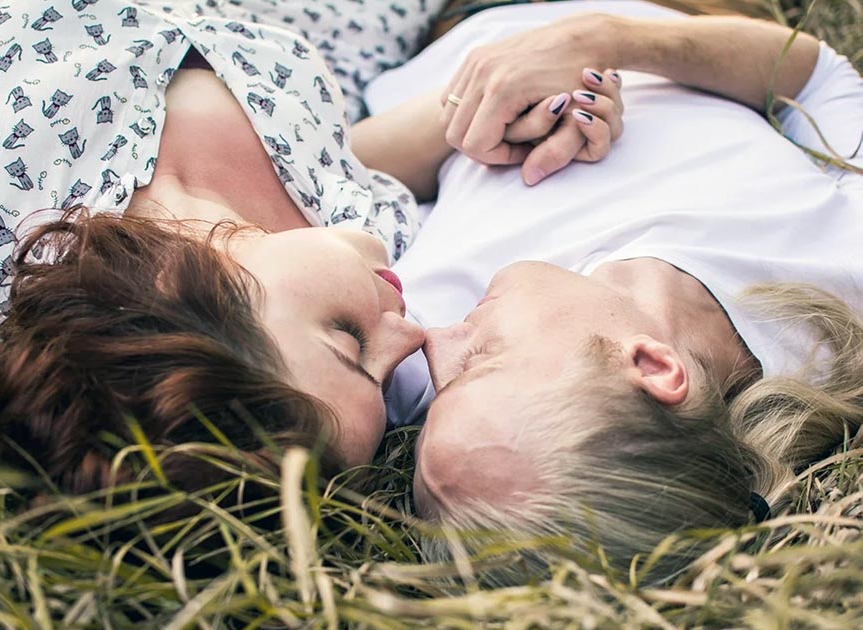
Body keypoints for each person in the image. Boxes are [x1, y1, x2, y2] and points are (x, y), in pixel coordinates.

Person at [0, 0, 617, 492]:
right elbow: (344, 152)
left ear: (190, 286)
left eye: (349, 340)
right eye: (383, 377)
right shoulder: (378, 241)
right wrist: (497, 118)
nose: (411, 335)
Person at [363, 1, 863, 581]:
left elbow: (329, 165)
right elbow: (817, 77)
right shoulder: (836, 282)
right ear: (652, 365)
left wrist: (480, 107)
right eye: (482, 363)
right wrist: (599, 39)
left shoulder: (399, 357)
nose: (436, 342)